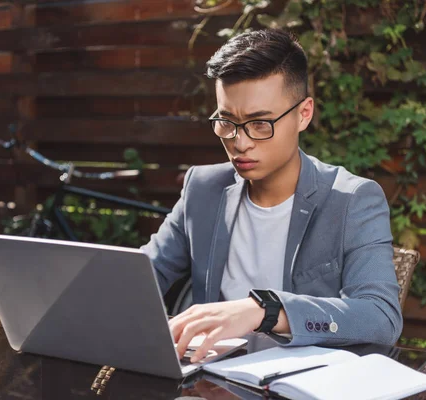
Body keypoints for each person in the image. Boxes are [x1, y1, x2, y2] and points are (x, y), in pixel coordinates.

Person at [141, 28, 402, 363]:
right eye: (226, 121)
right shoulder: (203, 189)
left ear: (303, 114)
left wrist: (266, 310)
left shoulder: (352, 200)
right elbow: (143, 278)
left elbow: (381, 317)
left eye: (260, 123)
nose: (240, 142)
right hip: (208, 378)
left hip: (301, 384)